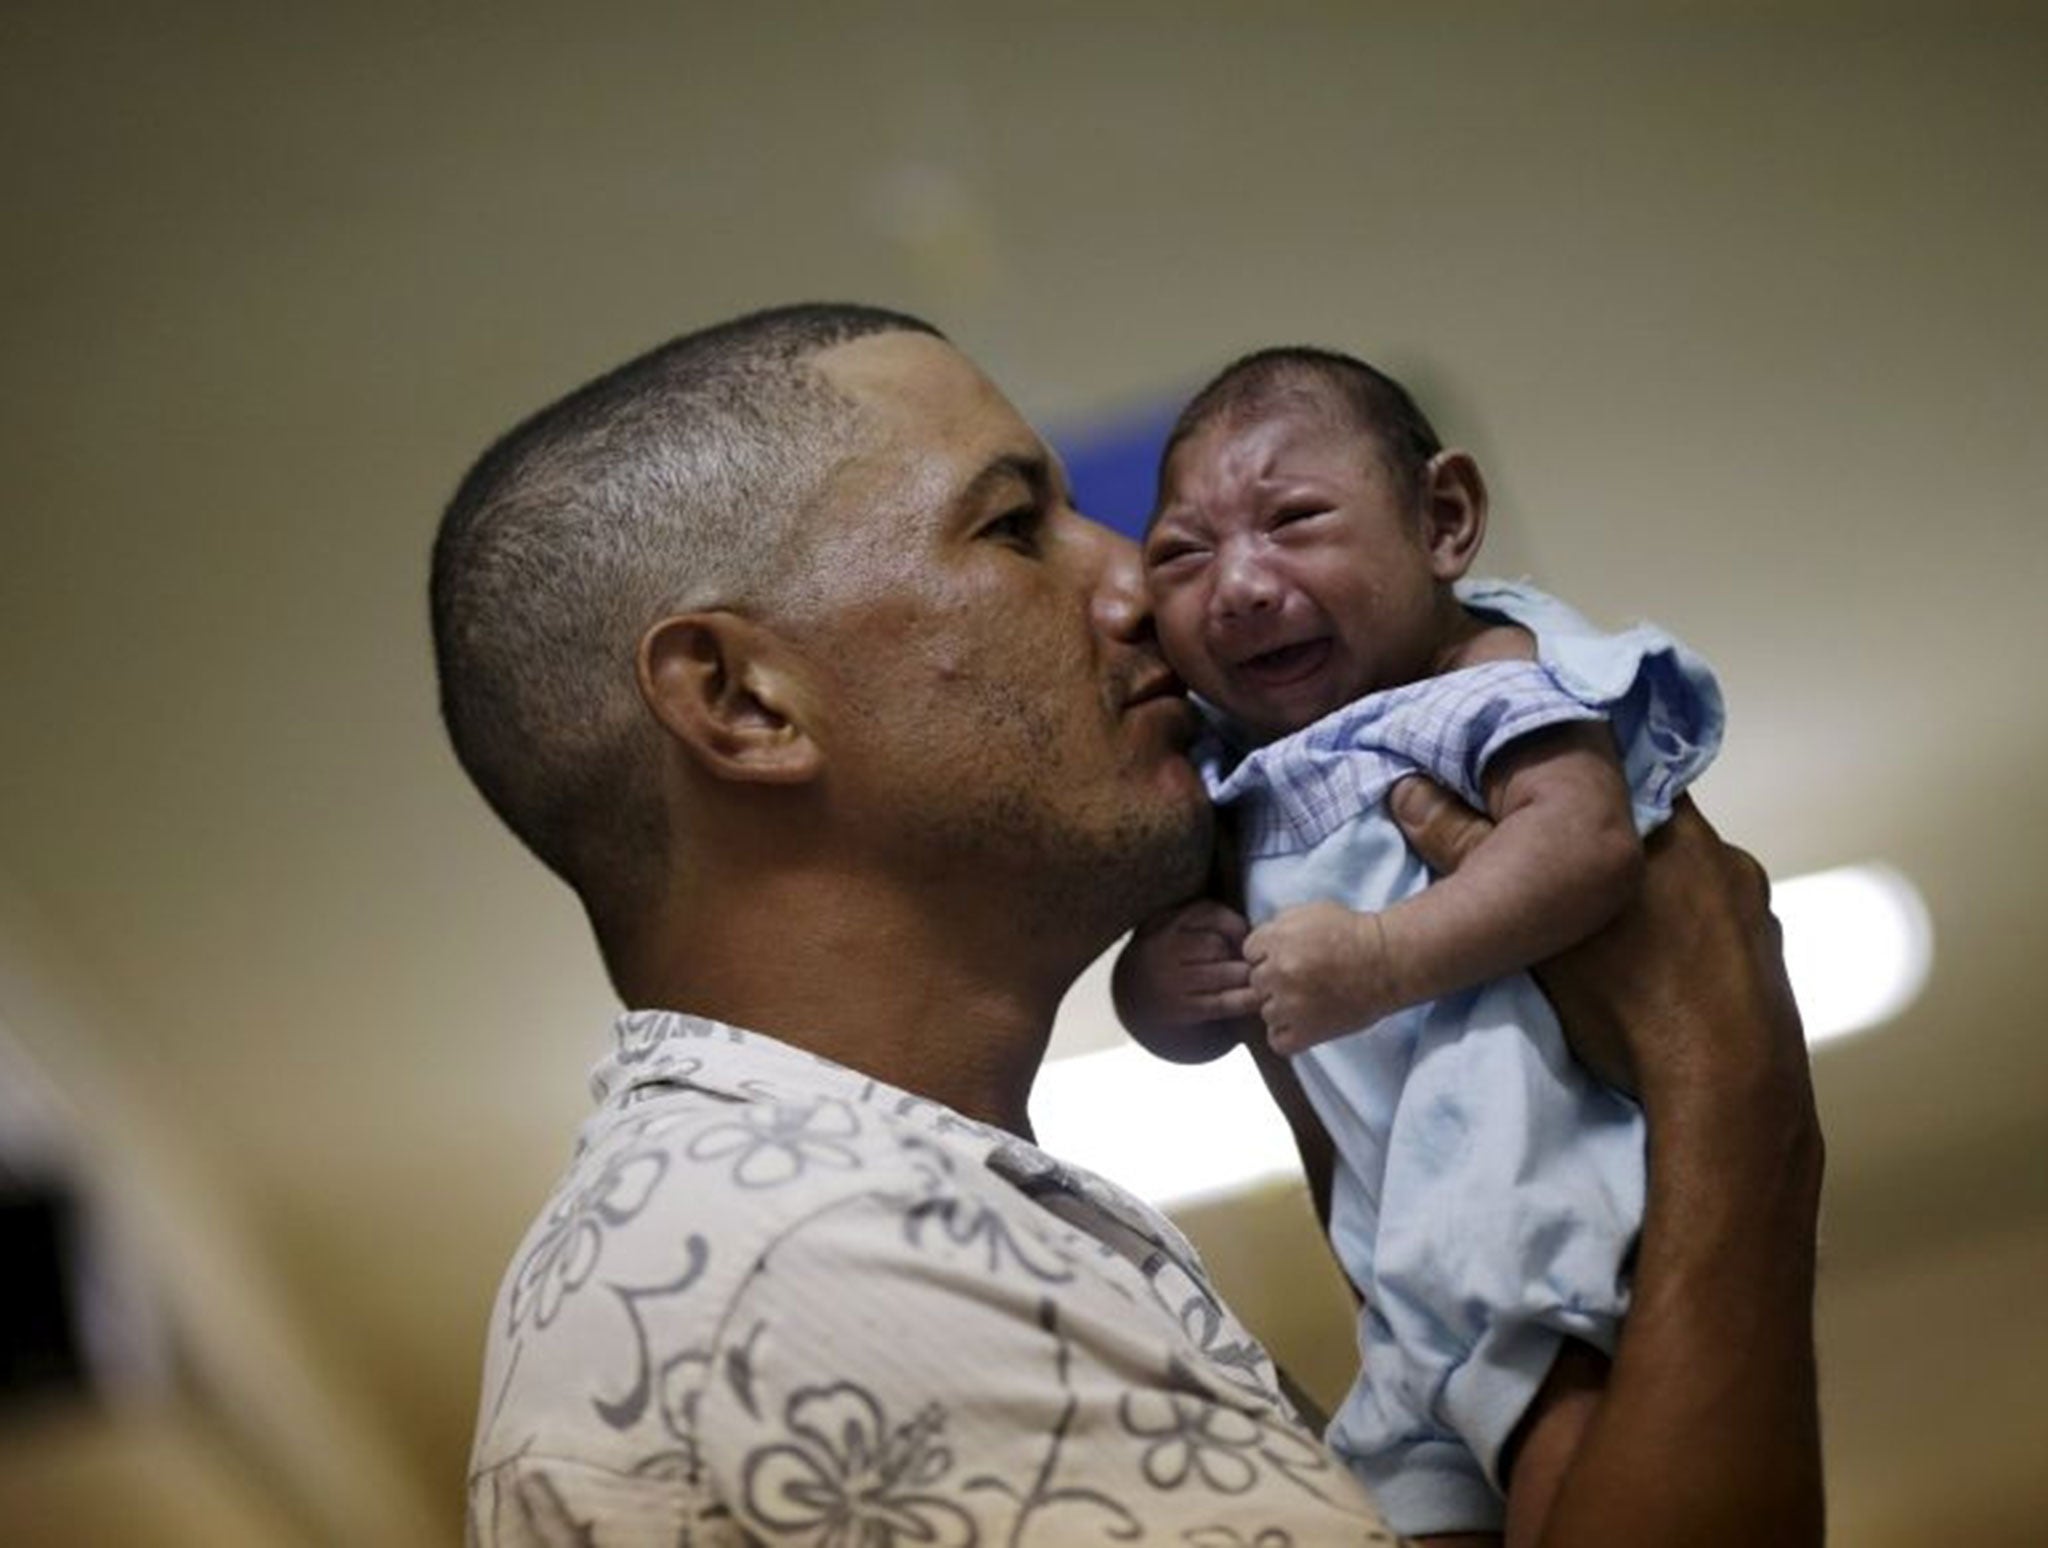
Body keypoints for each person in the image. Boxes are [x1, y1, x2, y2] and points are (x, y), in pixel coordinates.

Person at [431, 303, 1823, 1547]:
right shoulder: (805, 1261)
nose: (1138, 588)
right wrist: (1729, 1085)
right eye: (1014, 525)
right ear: (743, 699)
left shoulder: (846, 1222)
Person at [1115, 347, 1724, 1541]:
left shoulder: (1479, 681)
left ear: (1442, 520)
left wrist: (1386, 959)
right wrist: (1161, 985)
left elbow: (1584, 846)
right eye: (1182, 555)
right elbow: (1180, 1027)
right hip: (1398, 1267)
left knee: (1566, 1454)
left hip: (1529, 1197)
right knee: (1405, 1496)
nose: (1236, 585)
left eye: (1292, 521)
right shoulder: (1218, 771)